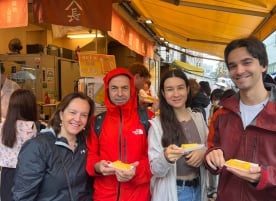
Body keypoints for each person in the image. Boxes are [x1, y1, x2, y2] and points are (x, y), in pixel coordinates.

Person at [204, 36, 276, 201]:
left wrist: (264, 177)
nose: (239, 71)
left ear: (263, 65)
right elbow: (213, 150)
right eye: (233, 66)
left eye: (247, 62)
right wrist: (211, 157)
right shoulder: (221, 115)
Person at [12, 92, 95, 201]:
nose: (78, 119)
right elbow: (22, 196)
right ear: (61, 114)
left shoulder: (85, 145)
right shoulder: (37, 147)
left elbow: (87, 189)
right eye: (72, 112)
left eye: (84, 115)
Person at [86, 68, 152, 201]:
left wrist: (136, 172)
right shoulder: (97, 122)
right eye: (114, 88)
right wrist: (97, 167)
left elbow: (155, 159)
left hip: (138, 195)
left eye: (125, 88)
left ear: (132, 90)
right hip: (104, 195)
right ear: (107, 91)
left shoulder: (148, 119)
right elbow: (91, 155)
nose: (120, 93)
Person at [148, 69, 208, 201]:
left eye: (180, 88)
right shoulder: (157, 126)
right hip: (174, 192)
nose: (176, 94)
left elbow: (210, 147)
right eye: (169, 89)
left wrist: (204, 152)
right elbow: (155, 170)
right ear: (163, 93)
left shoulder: (198, 119)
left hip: (198, 189)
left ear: (187, 89)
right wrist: (166, 157)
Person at [0, 89, 38, 201]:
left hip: (7, 173)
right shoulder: (33, 127)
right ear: (31, 107)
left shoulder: (3, 127)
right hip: (28, 173)